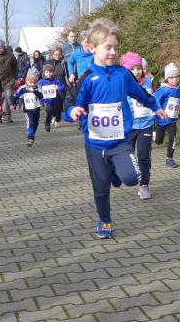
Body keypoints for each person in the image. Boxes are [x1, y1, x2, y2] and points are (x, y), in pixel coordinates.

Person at [63, 18, 167, 239]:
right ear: (92, 47)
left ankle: (114, 171)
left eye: (116, 48)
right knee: (101, 188)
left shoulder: (123, 74)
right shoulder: (88, 78)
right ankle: (105, 221)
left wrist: (155, 106)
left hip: (120, 141)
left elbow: (141, 93)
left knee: (131, 178)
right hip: (95, 144)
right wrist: (72, 111)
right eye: (108, 47)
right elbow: (69, 102)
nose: (113, 52)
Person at [120, 52, 156, 200]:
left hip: (146, 125)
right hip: (129, 127)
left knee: (143, 155)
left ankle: (144, 185)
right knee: (128, 156)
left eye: (138, 68)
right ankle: (127, 174)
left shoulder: (149, 83)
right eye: (132, 69)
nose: (136, 72)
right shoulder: (123, 85)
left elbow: (154, 100)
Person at [153, 62, 180, 168]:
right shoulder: (163, 90)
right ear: (167, 79)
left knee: (173, 138)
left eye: (176, 77)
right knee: (158, 141)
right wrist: (158, 110)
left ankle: (169, 159)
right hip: (162, 119)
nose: (174, 79)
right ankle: (154, 133)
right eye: (171, 77)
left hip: (172, 120)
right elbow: (155, 99)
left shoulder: (179, 90)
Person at [13, 69, 44, 147]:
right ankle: (30, 138)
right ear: (27, 80)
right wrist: (12, 104)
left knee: (35, 123)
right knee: (30, 122)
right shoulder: (23, 88)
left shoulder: (38, 87)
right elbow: (15, 96)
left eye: (34, 82)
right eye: (30, 82)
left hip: (36, 109)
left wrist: (34, 91)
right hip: (27, 110)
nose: (32, 84)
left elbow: (41, 96)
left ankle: (32, 134)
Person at [38, 64, 65, 132]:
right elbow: (39, 92)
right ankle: (47, 123)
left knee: (57, 111)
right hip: (46, 100)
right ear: (44, 73)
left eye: (50, 72)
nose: (48, 73)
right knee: (49, 109)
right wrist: (41, 101)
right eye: (47, 72)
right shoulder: (41, 82)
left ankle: (56, 119)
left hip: (56, 99)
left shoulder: (56, 81)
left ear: (53, 72)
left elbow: (63, 88)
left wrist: (59, 88)